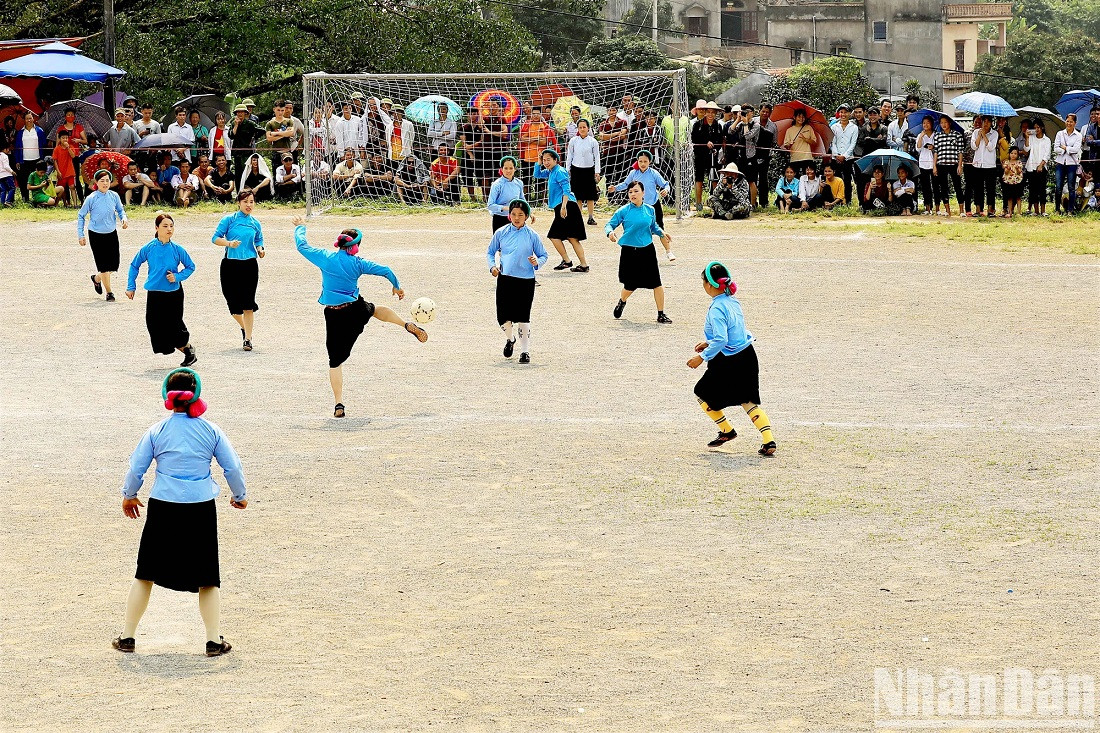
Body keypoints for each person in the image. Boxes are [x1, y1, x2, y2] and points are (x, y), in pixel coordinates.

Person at [112, 367, 246, 658]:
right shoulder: (210, 430)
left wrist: (129, 496)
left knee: (145, 572)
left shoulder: (156, 431)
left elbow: (137, 468)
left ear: (167, 397)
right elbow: (232, 467)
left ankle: (127, 637)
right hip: (200, 509)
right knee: (207, 576)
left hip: (163, 508)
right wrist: (239, 496)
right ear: (196, 395)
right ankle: (213, 641)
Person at [292, 217, 428, 418]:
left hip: (334, 315)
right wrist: (396, 286)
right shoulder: (358, 263)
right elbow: (386, 270)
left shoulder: (325, 257)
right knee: (373, 310)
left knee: (335, 362)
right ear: (355, 247)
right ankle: (405, 324)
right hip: (355, 309)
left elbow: (302, 246)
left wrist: (300, 227)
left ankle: (339, 404)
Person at [687, 262, 776, 455]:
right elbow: (732, 331)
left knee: (701, 392)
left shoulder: (717, 308)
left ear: (709, 285)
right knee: (748, 401)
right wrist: (708, 342)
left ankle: (727, 430)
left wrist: (702, 356)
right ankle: (769, 441)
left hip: (728, 361)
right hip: (747, 355)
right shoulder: (733, 301)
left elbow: (721, 339)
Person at [126, 211, 198, 367]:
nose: (169, 229)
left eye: (171, 226)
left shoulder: (178, 249)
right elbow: (134, 265)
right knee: (154, 324)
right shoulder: (149, 248)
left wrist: (177, 277)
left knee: (174, 325)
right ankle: (185, 349)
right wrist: (131, 286)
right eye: (165, 226)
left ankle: (188, 351)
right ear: (157, 228)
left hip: (174, 294)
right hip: (155, 294)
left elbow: (191, 267)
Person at [487, 199, 547, 364]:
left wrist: (537, 262)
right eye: (513, 214)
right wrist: (492, 266)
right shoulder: (501, 232)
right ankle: (510, 338)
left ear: (526, 216)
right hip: (505, 279)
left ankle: (525, 351)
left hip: (526, 281)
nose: (517, 217)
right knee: (503, 317)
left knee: (523, 317)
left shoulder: (532, 235)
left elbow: (544, 255)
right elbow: (490, 252)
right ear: (509, 215)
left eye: (521, 214)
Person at [605, 181, 673, 324]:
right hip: (629, 251)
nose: (633, 194)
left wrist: (662, 232)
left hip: (647, 250)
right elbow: (609, 224)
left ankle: (661, 314)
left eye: (636, 191)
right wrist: (610, 233)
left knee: (657, 283)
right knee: (630, 285)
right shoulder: (623, 210)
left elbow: (653, 226)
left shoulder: (650, 210)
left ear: (643, 193)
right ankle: (622, 301)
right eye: (630, 192)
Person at [212, 189, 265, 351]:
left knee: (248, 304)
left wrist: (261, 249)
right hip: (230, 265)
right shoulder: (229, 220)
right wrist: (228, 243)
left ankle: (248, 339)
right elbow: (215, 238)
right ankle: (244, 328)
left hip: (249, 265)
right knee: (233, 305)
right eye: (245, 202)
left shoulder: (255, 223)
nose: (249, 205)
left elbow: (259, 240)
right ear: (239, 203)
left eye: (251, 202)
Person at [609, 150, 674, 260]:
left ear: (649, 162)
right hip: (639, 206)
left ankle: (668, 251)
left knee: (660, 229)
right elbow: (626, 184)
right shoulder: (633, 173)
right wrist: (615, 188)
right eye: (640, 161)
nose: (643, 164)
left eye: (645, 161)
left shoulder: (654, 173)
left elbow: (666, 184)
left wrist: (666, 190)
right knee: (640, 228)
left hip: (653, 206)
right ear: (637, 161)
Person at [534, 148, 589, 273]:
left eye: (548, 159)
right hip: (563, 206)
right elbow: (537, 174)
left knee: (555, 236)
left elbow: (566, 189)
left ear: (555, 160)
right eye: (544, 160)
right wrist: (538, 161)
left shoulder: (559, 171)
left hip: (567, 206)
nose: (546, 162)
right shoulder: (551, 171)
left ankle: (569, 261)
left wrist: (564, 206)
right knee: (571, 238)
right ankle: (581, 264)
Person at [77, 169, 128, 301]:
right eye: (102, 181)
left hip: (111, 233)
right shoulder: (91, 198)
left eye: (107, 180)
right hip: (95, 235)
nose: (105, 183)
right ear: (96, 182)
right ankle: (109, 292)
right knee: (104, 265)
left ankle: (96, 278)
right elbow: (81, 215)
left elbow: (120, 210)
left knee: (113, 265)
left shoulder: (114, 196)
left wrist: (124, 219)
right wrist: (80, 235)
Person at [565, 118, 600, 224]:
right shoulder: (573, 141)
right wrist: (568, 169)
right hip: (576, 170)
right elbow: (569, 155)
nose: (582, 129)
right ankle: (578, 217)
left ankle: (590, 217)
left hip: (589, 170)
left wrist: (597, 172)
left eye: (584, 127)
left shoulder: (593, 141)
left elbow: (597, 156)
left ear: (588, 128)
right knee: (577, 195)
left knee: (590, 196)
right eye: (580, 127)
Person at [691, 102, 723, 212]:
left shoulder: (718, 125)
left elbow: (720, 141)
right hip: (700, 156)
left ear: (716, 114)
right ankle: (698, 203)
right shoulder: (697, 125)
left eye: (713, 112)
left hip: (713, 157)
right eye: (708, 112)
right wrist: (706, 144)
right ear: (705, 112)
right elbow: (694, 141)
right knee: (699, 179)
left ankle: (715, 202)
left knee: (715, 180)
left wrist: (715, 148)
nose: (710, 114)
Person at [598, 104, 631, 202]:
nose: (612, 112)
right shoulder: (603, 124)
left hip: (620, 153)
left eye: (614, 110)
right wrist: (615, 134)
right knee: (609, 176)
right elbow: (601, 137)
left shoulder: (622, 122)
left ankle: (622, 198)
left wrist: (609, 136)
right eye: (610, 110)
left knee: (621, 176)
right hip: (607, 153)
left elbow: (623, 135)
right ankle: (611, 198)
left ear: (617, 111)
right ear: (607, 111)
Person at [932, 114, 964, 217]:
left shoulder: (957, 135)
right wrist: (934, 165)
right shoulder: (937, 135)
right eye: (941, 123)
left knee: (957, 186)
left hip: (954, 164)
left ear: (949, 123)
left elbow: (960, 151)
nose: (943, 124)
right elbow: (936, 151)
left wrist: (960, 165)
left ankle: (961, 210)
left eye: (945, 122)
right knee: (944, 187)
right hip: (941, 164)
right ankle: (947, 210)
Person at [487, 156, 529, 232]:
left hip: (516, 218)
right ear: (501, 169)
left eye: (511, 168)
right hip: (500, 218)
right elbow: (490, 206)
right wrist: (506, 208)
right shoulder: (497, 185)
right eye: (506, 168)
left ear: (515, 169)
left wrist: (529, 212)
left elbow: (522, 200)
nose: (508, 171)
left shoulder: (519, 183)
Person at [14, 111, 47, 202]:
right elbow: (17, 147)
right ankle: (25, 198)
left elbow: (44, 143)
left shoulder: (39, 131)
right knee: (23, 180)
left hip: (36, 159)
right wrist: (17, 160)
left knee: (36, 180)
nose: (29, 120)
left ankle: (37, 199)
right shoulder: (20, 132)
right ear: (24, 120)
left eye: (30, 118)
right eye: (27, 118)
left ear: (33, 119)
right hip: (24, 160)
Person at [1053, 113, 1083, 215]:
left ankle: (1070, 210)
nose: (1069, 123)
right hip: (1060, 162)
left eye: (1071, 121)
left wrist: (1065, 148)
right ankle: (1057, 209)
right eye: (1067, 121)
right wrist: (1064, 150)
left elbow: (1076, 149)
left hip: (1072, 164)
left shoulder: (1078, 135)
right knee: (1058, 186)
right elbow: (1056, 148)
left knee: (1071, 187)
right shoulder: (1060, 134)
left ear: (1075, 123)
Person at [970, 115, 999, 217]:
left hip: (990, 165)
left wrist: (985, 136)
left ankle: (991, 210)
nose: (986, 123)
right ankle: (978, 209)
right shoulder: (975, 132)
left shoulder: (994, 133)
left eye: (988, 121)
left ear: (991, 123)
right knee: (978, 188)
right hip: (978, 164)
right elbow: (974, 146)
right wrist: (979, 135)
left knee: (990, 188)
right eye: (984, 121)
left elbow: (991, 147)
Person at [829, 104, 857, 204]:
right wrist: (837, 155)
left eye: (845, 112)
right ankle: (835, 201)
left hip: (848, 158)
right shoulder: (834, 127)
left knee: (847, 181)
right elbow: (833, 143)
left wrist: (844, 156)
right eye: (841, 112)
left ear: (849, 113)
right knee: (835, 180)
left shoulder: (854, 128)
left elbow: (852, 144)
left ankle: (848, 201)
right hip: (835, 158)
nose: (843, 114)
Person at [751, 104, 777, 208]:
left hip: (766, 155)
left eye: (767, 112)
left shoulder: (773, 126)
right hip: (751, 154)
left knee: (763, 179)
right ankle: (751, 201)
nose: (765, 113)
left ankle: (764, 202)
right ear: (759, 111)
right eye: (763, 111)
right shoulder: (752, 121)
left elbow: (774, 141)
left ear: (770, 113)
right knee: (751, 179)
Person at [1025, 121, 1051, 216]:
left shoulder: (1046, 140)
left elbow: (1047, 154)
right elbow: (1026, 149)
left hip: (1042, 167)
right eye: (1035, 127)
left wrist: (1041, 165)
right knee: (1033, 189)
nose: (1036, 129)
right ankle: (1036, 211)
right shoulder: (1031, 138)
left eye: (1038, 127)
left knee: (1042, 189)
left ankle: (1043, 210)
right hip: (1031, 166)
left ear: (1042, 128)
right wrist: (1027, 137)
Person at [230, 104, 261, 178]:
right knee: (238, 173)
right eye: (238, 112)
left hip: (247, 151)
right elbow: (231, 135)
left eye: (242, 112)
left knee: (247, 171)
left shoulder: (250, 123)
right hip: (237, 152)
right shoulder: (233, 123)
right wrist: (236, 125)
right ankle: (239, 189)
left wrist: (254, 137)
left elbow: (262, 130)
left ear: (245, 113)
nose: (240, 114)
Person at [52, 128, 81, 206]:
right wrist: (58, 171)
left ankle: (75, 204)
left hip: (70, 171)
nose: (65, 139)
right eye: (63, 138)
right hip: (61, 171)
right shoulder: (57, 149)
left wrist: (68, 147)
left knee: (72, 187)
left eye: (66, 138)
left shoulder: (71, 146)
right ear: (60, 139)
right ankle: (65, 203)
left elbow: (73, 156)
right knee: (62, 188)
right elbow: (55, 161)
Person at [915, 115, 936, 214]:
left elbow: (939, 148)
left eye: (928, 122)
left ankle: (937, 207)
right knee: (925, 186)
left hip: (934, 163)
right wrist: (922, 136)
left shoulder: (936, 135)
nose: (925, 125)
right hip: (923, 163)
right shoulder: (920, 135)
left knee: (935, 186)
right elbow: (918, 148)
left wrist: (933, 147)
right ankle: (927, 207)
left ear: (932, 124)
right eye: (924, 123)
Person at [999, 146, 1025, 217]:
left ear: (1017, 155)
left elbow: (1020, 172)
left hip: (1017, 182)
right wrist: (1008, 168)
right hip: (1008, 182)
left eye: (1015, 153)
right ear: (1009, 154)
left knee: (1018, 197)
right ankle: (1010, 212)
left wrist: (1017, 169)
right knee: (1009, 197)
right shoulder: (1006, 162)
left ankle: (1019, 212)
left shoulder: (1019, 162)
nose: (1013, 155)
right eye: (1012, 153)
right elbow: (1006, 172)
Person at [0, 141, 14, 207]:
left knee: (3, 189)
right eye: (8, 149)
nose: (9, 150)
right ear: (4, 149)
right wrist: (12, 172)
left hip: (0, 175)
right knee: (12, 188)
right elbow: (6, 166)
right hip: (7, 174)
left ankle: (2, 203)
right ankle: (8, 201)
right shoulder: (5, 156)